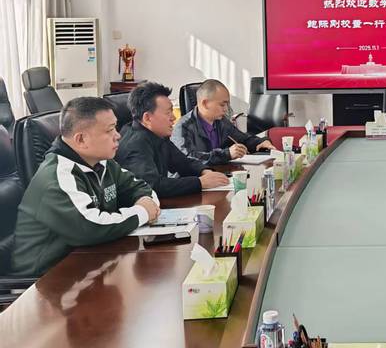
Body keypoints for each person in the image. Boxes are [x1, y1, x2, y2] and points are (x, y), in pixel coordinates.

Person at [10, 97, 160, 277]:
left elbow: (142, 187)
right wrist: (142, 212)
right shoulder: (58, 177)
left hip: (86, 263)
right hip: (43, 279)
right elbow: (90, 227)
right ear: (81, 139)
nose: (118, 135)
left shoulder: (102, 163)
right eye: (110, 130)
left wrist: (146, 202)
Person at [116, 82, 229, 196]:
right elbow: (153, 186)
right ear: (147, 118)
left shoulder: (157, 135)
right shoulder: (135, 144)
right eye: (168, 112)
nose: (174, 117)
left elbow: (183, 162)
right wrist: (200, 182)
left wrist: (204, 171)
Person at [171, 79, 273, 165]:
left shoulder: (221, 121)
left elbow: (242, 139)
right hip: (192, 180)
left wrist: (260, 142)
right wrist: (226, 154)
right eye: (222, 105)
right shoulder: (183, 127)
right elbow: (188, 158)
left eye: (227, 105)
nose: (226, 109)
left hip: (216, 175)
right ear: (205, 103)